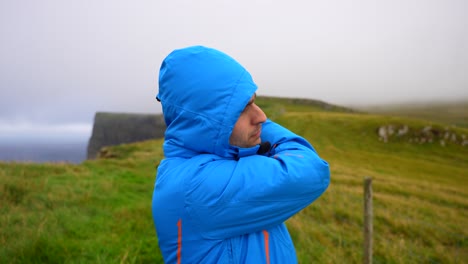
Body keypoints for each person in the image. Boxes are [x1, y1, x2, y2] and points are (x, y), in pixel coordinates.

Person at [152, 45, 330, 263]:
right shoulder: (196, 186)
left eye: (254, 101)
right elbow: (311, 170)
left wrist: (240, 117)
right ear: (205, 121)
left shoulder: (213, 164)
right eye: (242, 108)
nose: (262, 117)